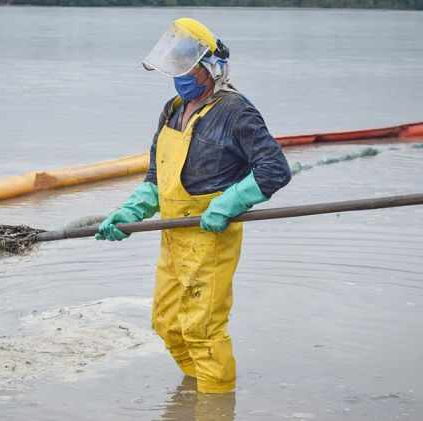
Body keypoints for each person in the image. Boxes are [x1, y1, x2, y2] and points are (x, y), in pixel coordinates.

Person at [96, 18, 291, 394]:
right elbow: (157, 177)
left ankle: (217, 399)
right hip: (172, 236)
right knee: (166, 323)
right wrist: (129, 212)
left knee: (202, 330)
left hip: (210, 235)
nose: (180, 76)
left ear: (210, 68)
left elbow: (274, 169)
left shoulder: (236, 111)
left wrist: (229, 203)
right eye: (175, 68)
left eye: (188, 68)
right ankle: (198, 394)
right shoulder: (172, 109)